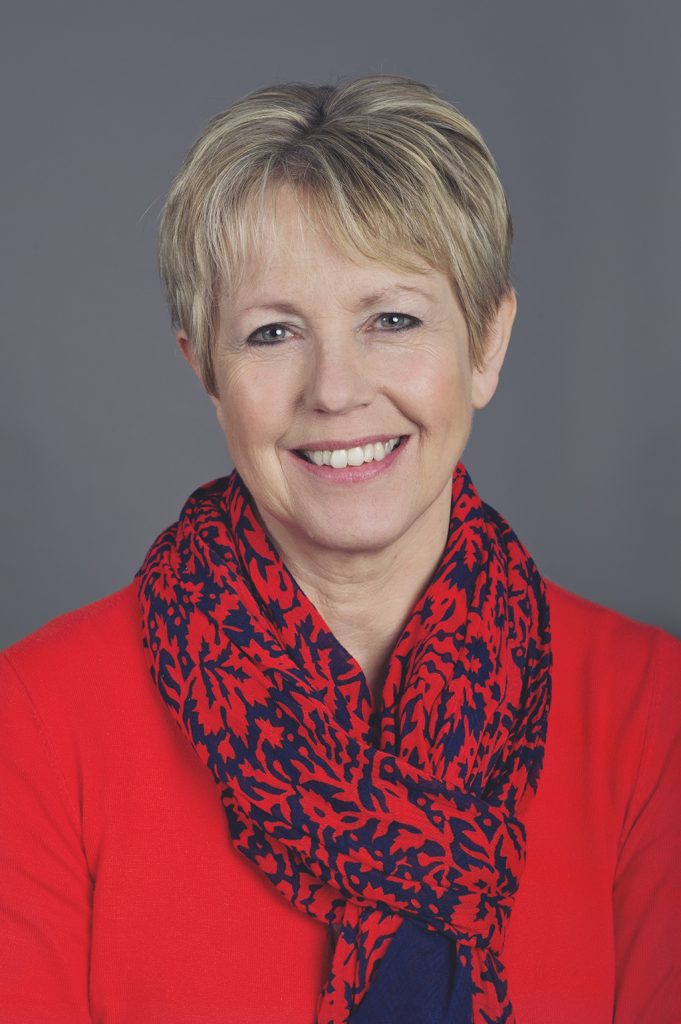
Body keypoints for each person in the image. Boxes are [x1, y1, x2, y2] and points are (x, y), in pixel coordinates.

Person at [1, 75, 679, 1024]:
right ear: (206, 372)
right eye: (272, 332)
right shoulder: (36, 721)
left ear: (486, 343)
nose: (334, 389)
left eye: (391, 320)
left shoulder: (649, 711)